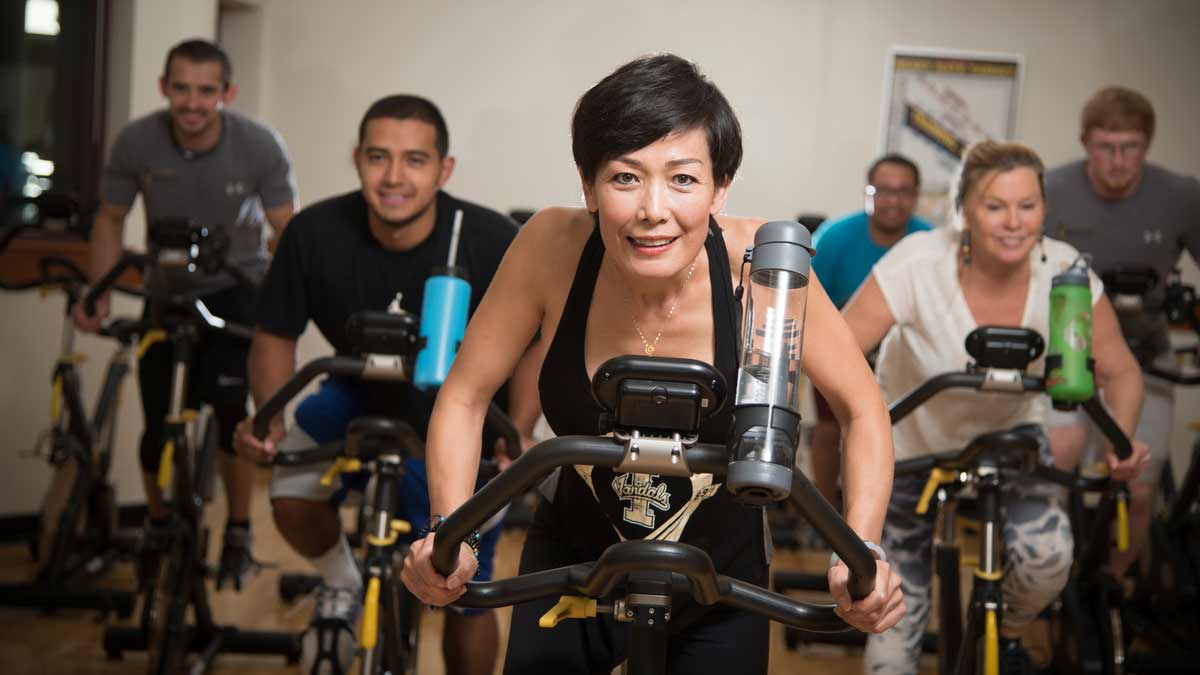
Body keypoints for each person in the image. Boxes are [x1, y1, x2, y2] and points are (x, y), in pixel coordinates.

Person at [399, 53, 904, 674]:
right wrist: (454, 537)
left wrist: (862, 551)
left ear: (721, 187)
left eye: (684, 180)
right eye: (625, 178)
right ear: (588, 185)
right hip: (573, 567)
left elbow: (861, 409)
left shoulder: (767, 269)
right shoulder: (550, 247)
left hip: (720, 576)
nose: (653, 210)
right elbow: (465, 396)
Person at [232, 94, 531, 675]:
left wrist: (515, 426)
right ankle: (343, 583)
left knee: (465, 591)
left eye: (415, 161)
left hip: (461, 411)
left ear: (444, 170)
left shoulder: (492, 239)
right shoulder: (313, 232)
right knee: (291, 489)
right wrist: (266, 418)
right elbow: (275, 334)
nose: (394, 177)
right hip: (355, 395)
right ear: (357, 159)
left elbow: (535, 341)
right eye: (378, 157)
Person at [843, 140, 1151, 674]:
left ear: (1044, 209)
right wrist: (859, 422)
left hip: (1010, 445)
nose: (1014, 223)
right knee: (890, 635)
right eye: (995, 206)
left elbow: (1120, 369)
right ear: (964, 210)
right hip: (907, 447)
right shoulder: (918, 263)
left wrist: (1121, 435)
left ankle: (1004, 632)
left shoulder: (1067, 275)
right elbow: (839, 351)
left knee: (1048, 561)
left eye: (1027, 206)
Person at [74, 39, 295, 585]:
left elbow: (287, 229)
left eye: (205, 91)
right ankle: (156, 522)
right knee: (156, 424)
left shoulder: (259, 145)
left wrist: (283, 304)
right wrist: (98, 288)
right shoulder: (137, 143)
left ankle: (239, 527)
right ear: (164, 88)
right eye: (181, 89)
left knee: (227, 414)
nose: (192, 103)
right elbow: (109, 218)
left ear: (227, 93)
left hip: (235, 288)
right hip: (166, 290)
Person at [1042, 85, 1200, 577]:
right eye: (1106, 146)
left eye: (1129, 146)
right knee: (1056, 464)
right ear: (1085, 142)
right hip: (1063, 351)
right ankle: (1050, 575)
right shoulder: (1050, 190)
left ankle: (1113, 585)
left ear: (1147, 145)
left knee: (1138, 481)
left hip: (1144, 354)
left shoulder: (1181, 197)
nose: (1117, 160)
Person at [808, 153, 932, 507]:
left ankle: (888, 508)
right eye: (885, 190)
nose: (894, 200)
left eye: (904, 191)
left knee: (897, 430)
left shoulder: (929, 242)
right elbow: (809, 300)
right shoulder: (834, 237)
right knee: (833, 429)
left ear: (915, 195)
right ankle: (825, 510)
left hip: (906, 353)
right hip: (844, 346)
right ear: (870, 192)